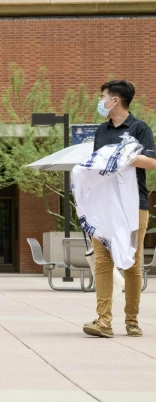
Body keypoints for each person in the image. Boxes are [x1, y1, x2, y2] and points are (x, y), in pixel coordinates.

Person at [83, 80, 156, 338]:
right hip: (103, 206)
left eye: (103, 97)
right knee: (102, 262)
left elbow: (151, 162)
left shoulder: (139, 128)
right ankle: (103, 321)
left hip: (134, 205)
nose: (100, 102)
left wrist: (123, 157)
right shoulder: (101, 131)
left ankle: (132, 320)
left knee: (131, 263)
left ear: (115, 100)